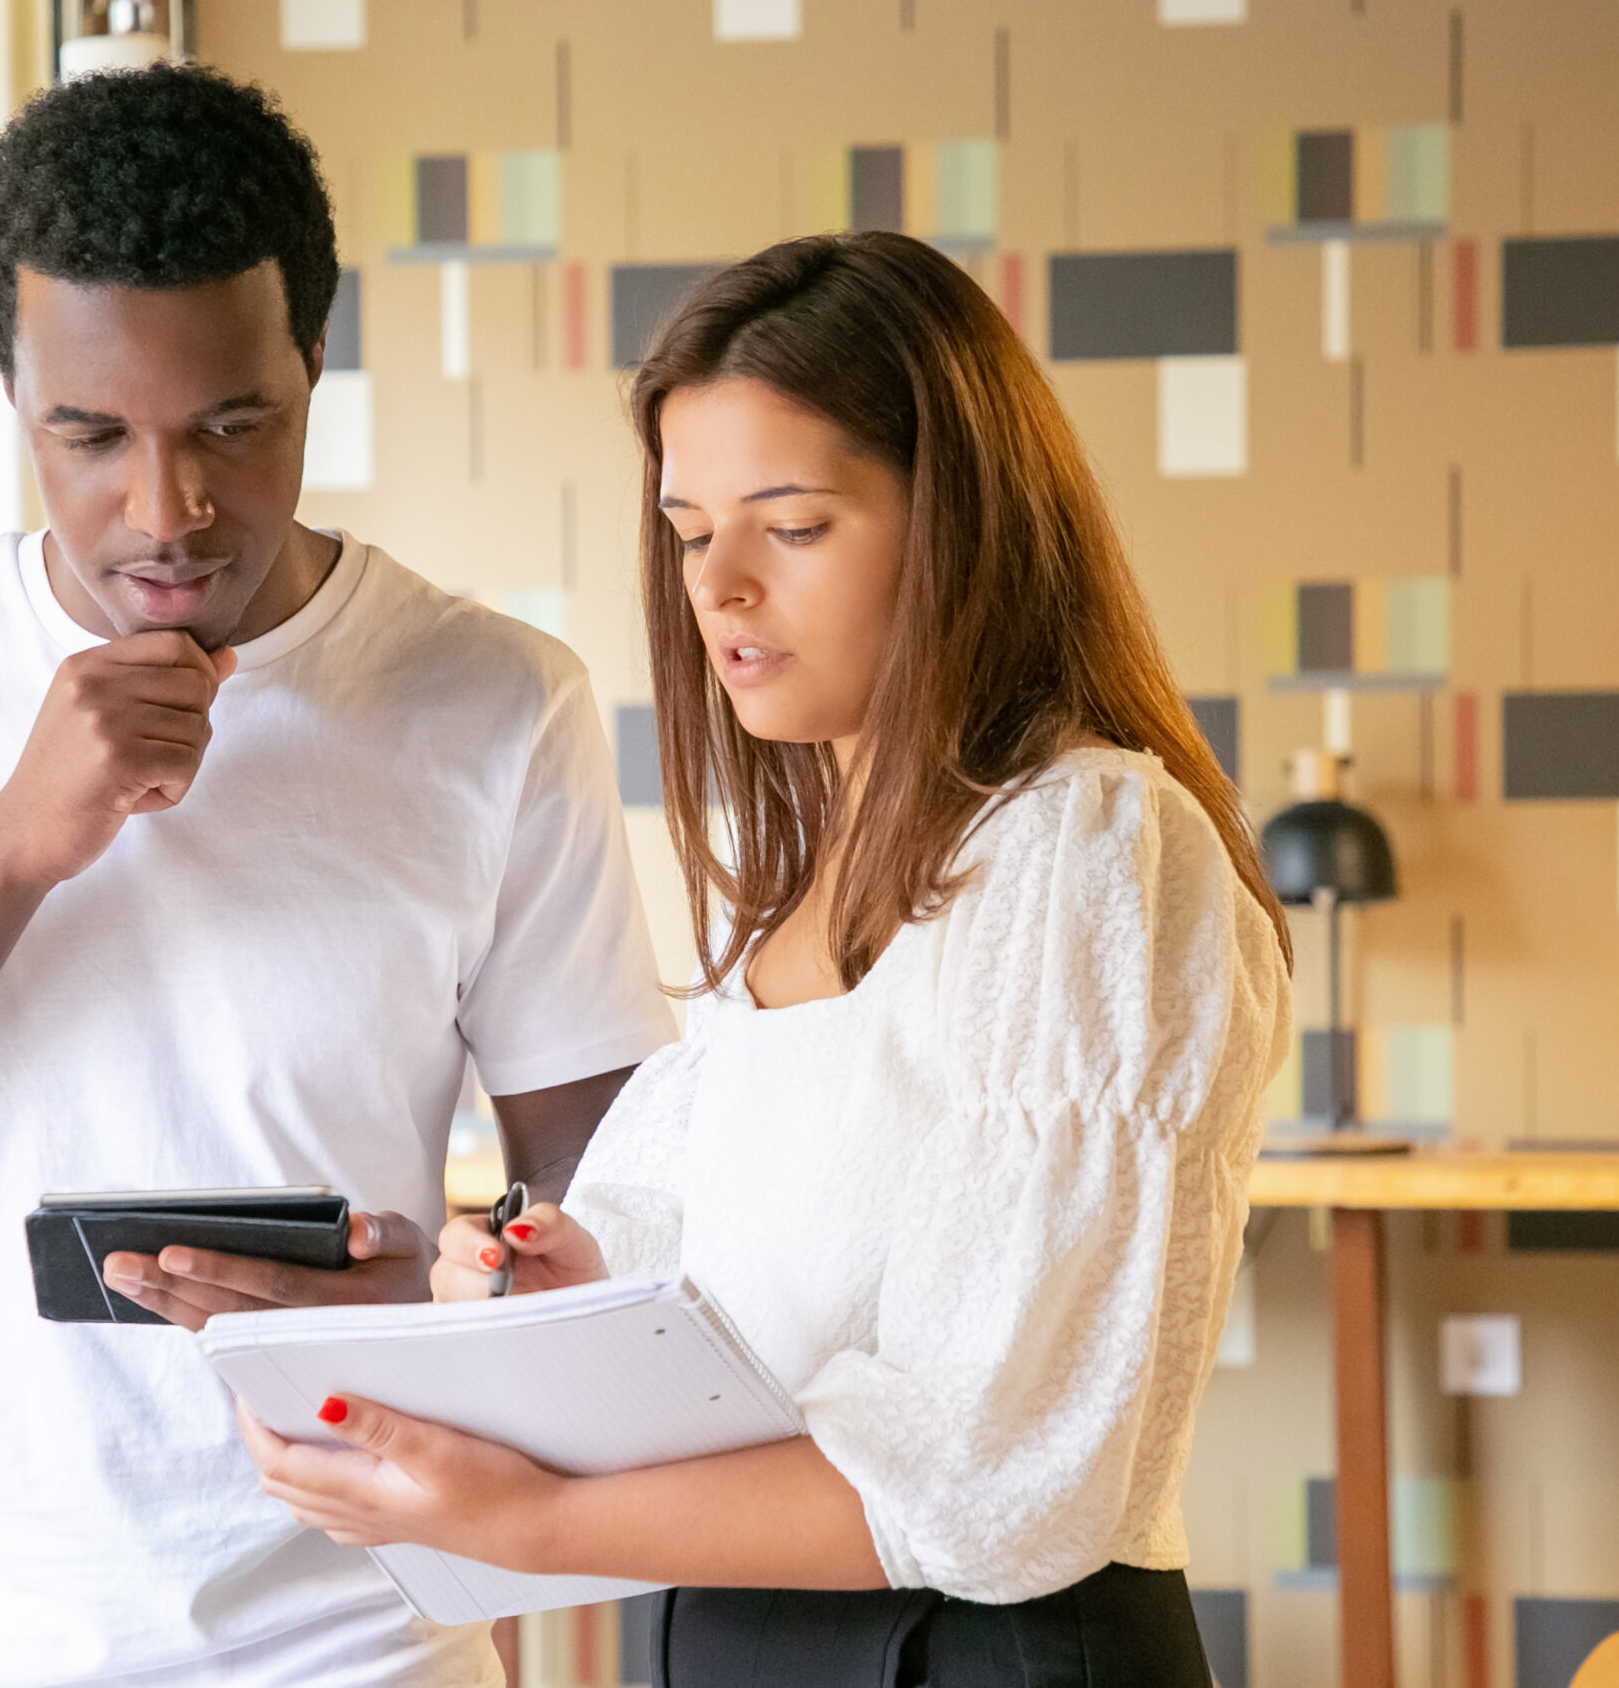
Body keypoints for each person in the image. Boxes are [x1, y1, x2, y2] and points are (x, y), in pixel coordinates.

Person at [0, 65, 672, 1688]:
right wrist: (11, 850)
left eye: (230, 428)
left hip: (361, 1652)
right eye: (89, 434)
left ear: (311, 366)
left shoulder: (494, 701)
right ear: (14, 394)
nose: (166, 510)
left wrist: (444, 1294)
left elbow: (624, 1239)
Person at [236, 231, 1295, 1685]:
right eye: (687, 531)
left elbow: (994, 1476)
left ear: (960, 523)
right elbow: (752, 1335)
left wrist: (541, 1520)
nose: (720, 586)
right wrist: (563, 1295)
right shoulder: (791, 889)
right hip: (749, 1632)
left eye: (790, 526)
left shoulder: (1091, 842)